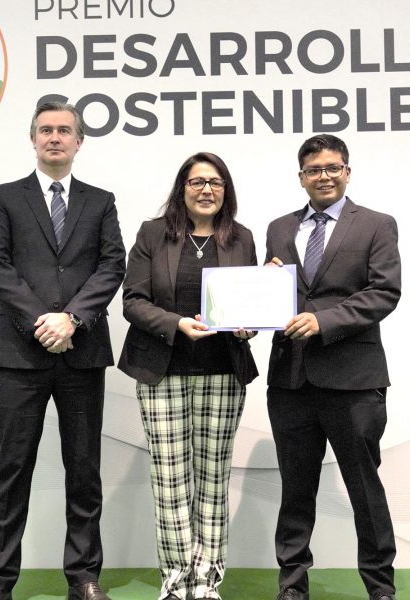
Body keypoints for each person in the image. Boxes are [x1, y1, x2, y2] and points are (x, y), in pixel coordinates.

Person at [0, 101, 126, 600]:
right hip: (21, 353)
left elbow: (112, 266)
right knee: (13, 468)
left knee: (83, 468)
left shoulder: (100, 201)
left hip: (82, 353)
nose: (55, 137)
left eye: (65, 130)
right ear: (33, 139)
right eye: (46, 130)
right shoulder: (5, 197)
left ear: (79, 142)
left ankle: (83, 577)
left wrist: (72, 319)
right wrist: (42, 321)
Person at [264, 134, 401, 600]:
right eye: (313, 170)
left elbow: (384, 292)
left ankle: (380, 587)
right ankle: (292, 585)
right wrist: (258, 298)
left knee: (365, 489)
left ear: (347, 172)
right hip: (291, 379)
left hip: (354, 380)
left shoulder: (377, 225)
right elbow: (274, 296)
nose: (323, 176)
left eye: (332, 168)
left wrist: (324, 321)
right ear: (301, 178)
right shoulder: (279, 228)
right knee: (295, 490)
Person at [118, 152, 258, 600]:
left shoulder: (241, 238)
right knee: (170, 480)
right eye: (197, 182)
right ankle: (176, 581)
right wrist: (176, 323)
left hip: (223, 372)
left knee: (214, 478)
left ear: (225, 190)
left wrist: (248, 324)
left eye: (215, 182)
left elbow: (251, 305)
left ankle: (207, 581)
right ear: (182, 188)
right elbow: (133, 301)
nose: (206, 190)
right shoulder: (153, 233)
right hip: (162, 372)